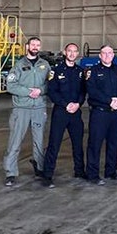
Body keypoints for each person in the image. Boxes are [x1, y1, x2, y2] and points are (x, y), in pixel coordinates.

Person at [3, 36, 51, 186]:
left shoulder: (45, 65)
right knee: (15, 141)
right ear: (27, 46)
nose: (35, 47)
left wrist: (40, 90)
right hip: (21, 108)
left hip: (39, 107)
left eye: (38, 45)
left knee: (39, 140)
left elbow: (51, 84)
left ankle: (40, 168)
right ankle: (10, 172)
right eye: (33, 44)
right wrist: (28, 92)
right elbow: (11, 86)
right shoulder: (18, 65)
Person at [41, 42, 87, 188]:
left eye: (75, 51)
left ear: (78, 53)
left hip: (76, 112)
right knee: (54, 143)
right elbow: (52, 91)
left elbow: (83, 91)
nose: (72, 54)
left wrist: (78, 104)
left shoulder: (81, 71)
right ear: (65, 52)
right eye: (70, 51)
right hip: (61, 111)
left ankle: (79, 171)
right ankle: (47, 175)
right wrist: (65, 104)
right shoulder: (56, 71)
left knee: (78, 144)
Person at [86, 45, 117, 186]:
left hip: (116, 113)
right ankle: (93, 174)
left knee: (114, 143)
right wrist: (109, 101)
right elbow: (92, 90)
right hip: (100, 113)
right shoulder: (93, 71)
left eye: (110, 53)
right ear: (100, 56)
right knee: (95, 144)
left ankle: (111, 171)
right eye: (105, 53)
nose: (108, 55)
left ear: (113, 55)